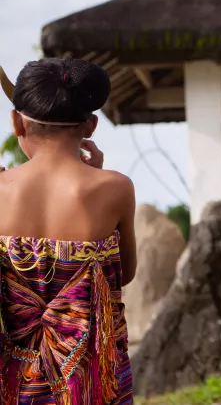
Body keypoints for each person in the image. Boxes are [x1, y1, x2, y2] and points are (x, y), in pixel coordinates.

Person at [0, 59, 137, 405]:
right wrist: (98, 175)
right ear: (90, 125)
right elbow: (126, 273)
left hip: (15, 378)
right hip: (93, 378)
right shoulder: (116, 188)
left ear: (17, 121)